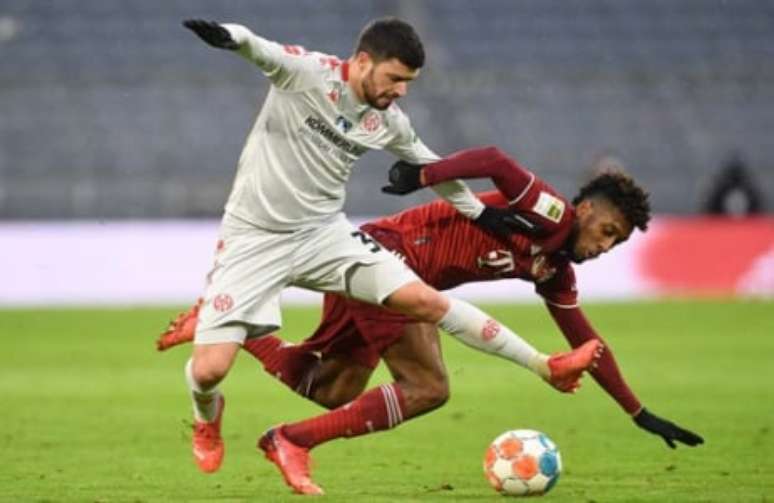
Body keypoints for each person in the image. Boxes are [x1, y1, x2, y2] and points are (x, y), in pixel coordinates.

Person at [178, 17, 582, 494]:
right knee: (209, 371)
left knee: (425, 301)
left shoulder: (386, 120)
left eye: (408, 83)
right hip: (254, 237)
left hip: (324, 235)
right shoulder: (308, 74)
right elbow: (260, 50)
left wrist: (477, 213)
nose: (401, 91)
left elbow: (431, 165)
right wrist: (230, 37)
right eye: (395, 78)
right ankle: (208, 418)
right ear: (363, 62)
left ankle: (542, 364)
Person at [159, 145, 704, 494]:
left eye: (618, 242)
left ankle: (229, 327)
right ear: (585, 211)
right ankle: (289, 440)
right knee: (428, 386)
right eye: (608, 231)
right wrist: (424, 172)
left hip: (395, 279)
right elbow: (492, 160)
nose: (607, 246)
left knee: (330, 387)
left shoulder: (556, 272)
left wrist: (638, 412)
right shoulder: (549, 211)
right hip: (387, 259)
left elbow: (587, 342)